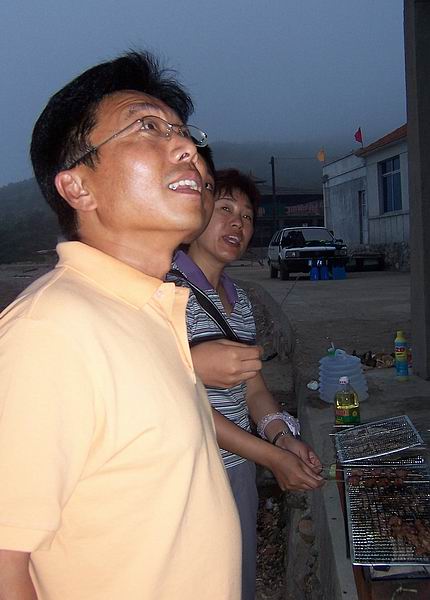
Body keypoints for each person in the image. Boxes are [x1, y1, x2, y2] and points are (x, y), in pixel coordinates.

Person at [0, 51, 241, 600]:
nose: (188, 149)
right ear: (78, 188)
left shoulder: (148, 310)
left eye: (183, 132)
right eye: (147, 128)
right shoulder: (50, 332)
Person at [169, 168, 324, 600]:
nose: (237, 223)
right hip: (190, 474)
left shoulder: (238, 299)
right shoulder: (167, 293)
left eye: (247, 216)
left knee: (236, 579)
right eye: (224, 209)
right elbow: (185, 406)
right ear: (197, 212)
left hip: (238, 467)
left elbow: (253, 389)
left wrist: (282, 436)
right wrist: (271, 457)